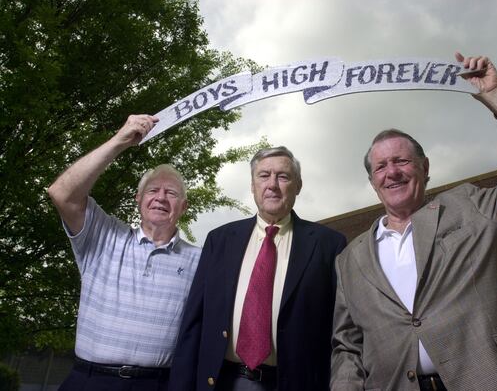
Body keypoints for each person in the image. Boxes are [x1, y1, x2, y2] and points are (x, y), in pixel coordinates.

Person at [330, 53, 497, 391]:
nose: (392, 172)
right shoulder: (349, 261)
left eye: (402, 161)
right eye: (381, 167)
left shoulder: (469, 207)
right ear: (372, 181)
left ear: (425, 168)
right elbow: (348, 345)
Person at [169, 146, 347, 391]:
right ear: (253, 186)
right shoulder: (219, 240)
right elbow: (194, 322)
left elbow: (341, 329)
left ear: (298, 185)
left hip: (296, 382)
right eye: (264, 176)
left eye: (283, 176)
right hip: (224, 380)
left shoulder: (330, 245)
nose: (272, 184)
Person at [48, 114, 201, 391]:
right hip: (89, 381)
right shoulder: (103, 236)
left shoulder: (200, 259)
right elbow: (62, 193)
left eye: (171, 193)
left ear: (184, 207)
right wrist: (119, 141)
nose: (161, 198)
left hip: (159, 384)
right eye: (153, 190)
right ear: (139, 200)